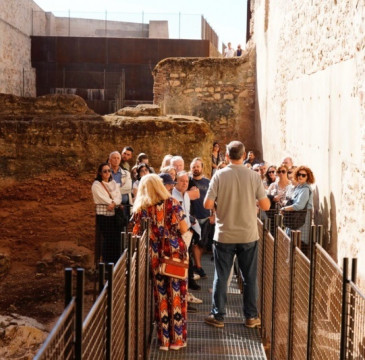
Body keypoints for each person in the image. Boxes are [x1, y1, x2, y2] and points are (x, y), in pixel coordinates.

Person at [203, 141, 270, 329]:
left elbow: (207, 204)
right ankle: (250, 317)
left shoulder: (219, 175)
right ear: (244, 155)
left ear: (226, 156)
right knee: (249, 277)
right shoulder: (253, 176)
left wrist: (220, 205)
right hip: (248, 234)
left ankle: (218, 316)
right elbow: (266, 206)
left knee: (221, 276)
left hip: (224, 234)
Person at [132, 174, 189, 351]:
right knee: (177, 295)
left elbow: (135, 234)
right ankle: (177, 340)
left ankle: (164, 341)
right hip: (174, 254)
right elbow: (184, 228)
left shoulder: (141, 208)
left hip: (155, 255)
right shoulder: (172, 203)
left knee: (161, 296)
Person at [189, 158, 215, 278]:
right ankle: (198, 266)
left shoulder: (208, 182)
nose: (196, 168)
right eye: (194, 166)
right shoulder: (188, 181)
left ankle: (196, 266)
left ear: (202, 168)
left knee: (202, 244)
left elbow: (215, 199)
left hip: (206, 217)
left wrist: (213, 214)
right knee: (195, 243)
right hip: (192, 218)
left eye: (197, 166)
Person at [91, 163, 122, 264]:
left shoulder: (114, 183)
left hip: (114, 215)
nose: (107, 173)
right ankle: (107, 263)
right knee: (108, 239)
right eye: (105, 171)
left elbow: (119, 196)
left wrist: (114, 203)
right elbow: (101, 197)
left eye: (109, 170)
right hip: (103, 215)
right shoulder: (96, 185)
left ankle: (116, 263)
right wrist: (112, 203)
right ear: (100, 173)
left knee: (116, 239)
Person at [281, 166, 315, 246]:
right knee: (291, 243)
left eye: (304, 175)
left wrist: (285, 208)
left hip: (301, 222)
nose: (300, 176)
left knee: (298, 245)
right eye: (299, 174)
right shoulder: (299, 187)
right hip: (295, 220)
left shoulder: (305, 189)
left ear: (308, 177)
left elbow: (299, 205)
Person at [109, 151, 132, 228]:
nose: (116, 160)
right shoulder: (106, 173)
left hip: (124, 207)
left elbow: (128, 188)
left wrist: (113, 189)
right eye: (114, 158)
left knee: (123, 230)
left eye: (118, 158)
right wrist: (119, 187)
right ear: (110, 160)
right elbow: (105, 189)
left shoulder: (126, 173)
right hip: (110, 206)